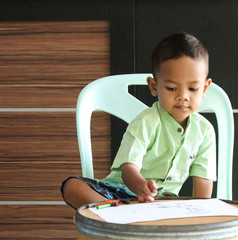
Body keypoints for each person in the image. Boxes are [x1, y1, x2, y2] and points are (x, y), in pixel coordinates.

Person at [61, 32, 216, 209]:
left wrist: (201, 213)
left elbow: (203, 180)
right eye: (172, 88)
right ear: (153, 86)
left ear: (204, 88)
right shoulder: (147, 121)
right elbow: (128, 169)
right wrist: (141, 187)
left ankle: (106, 217)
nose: (183, 96)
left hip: (164, 202)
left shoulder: (205, 131)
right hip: (120, 193)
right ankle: (110, 213)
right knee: (72, 186)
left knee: (178, 209)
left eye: (193, 88)